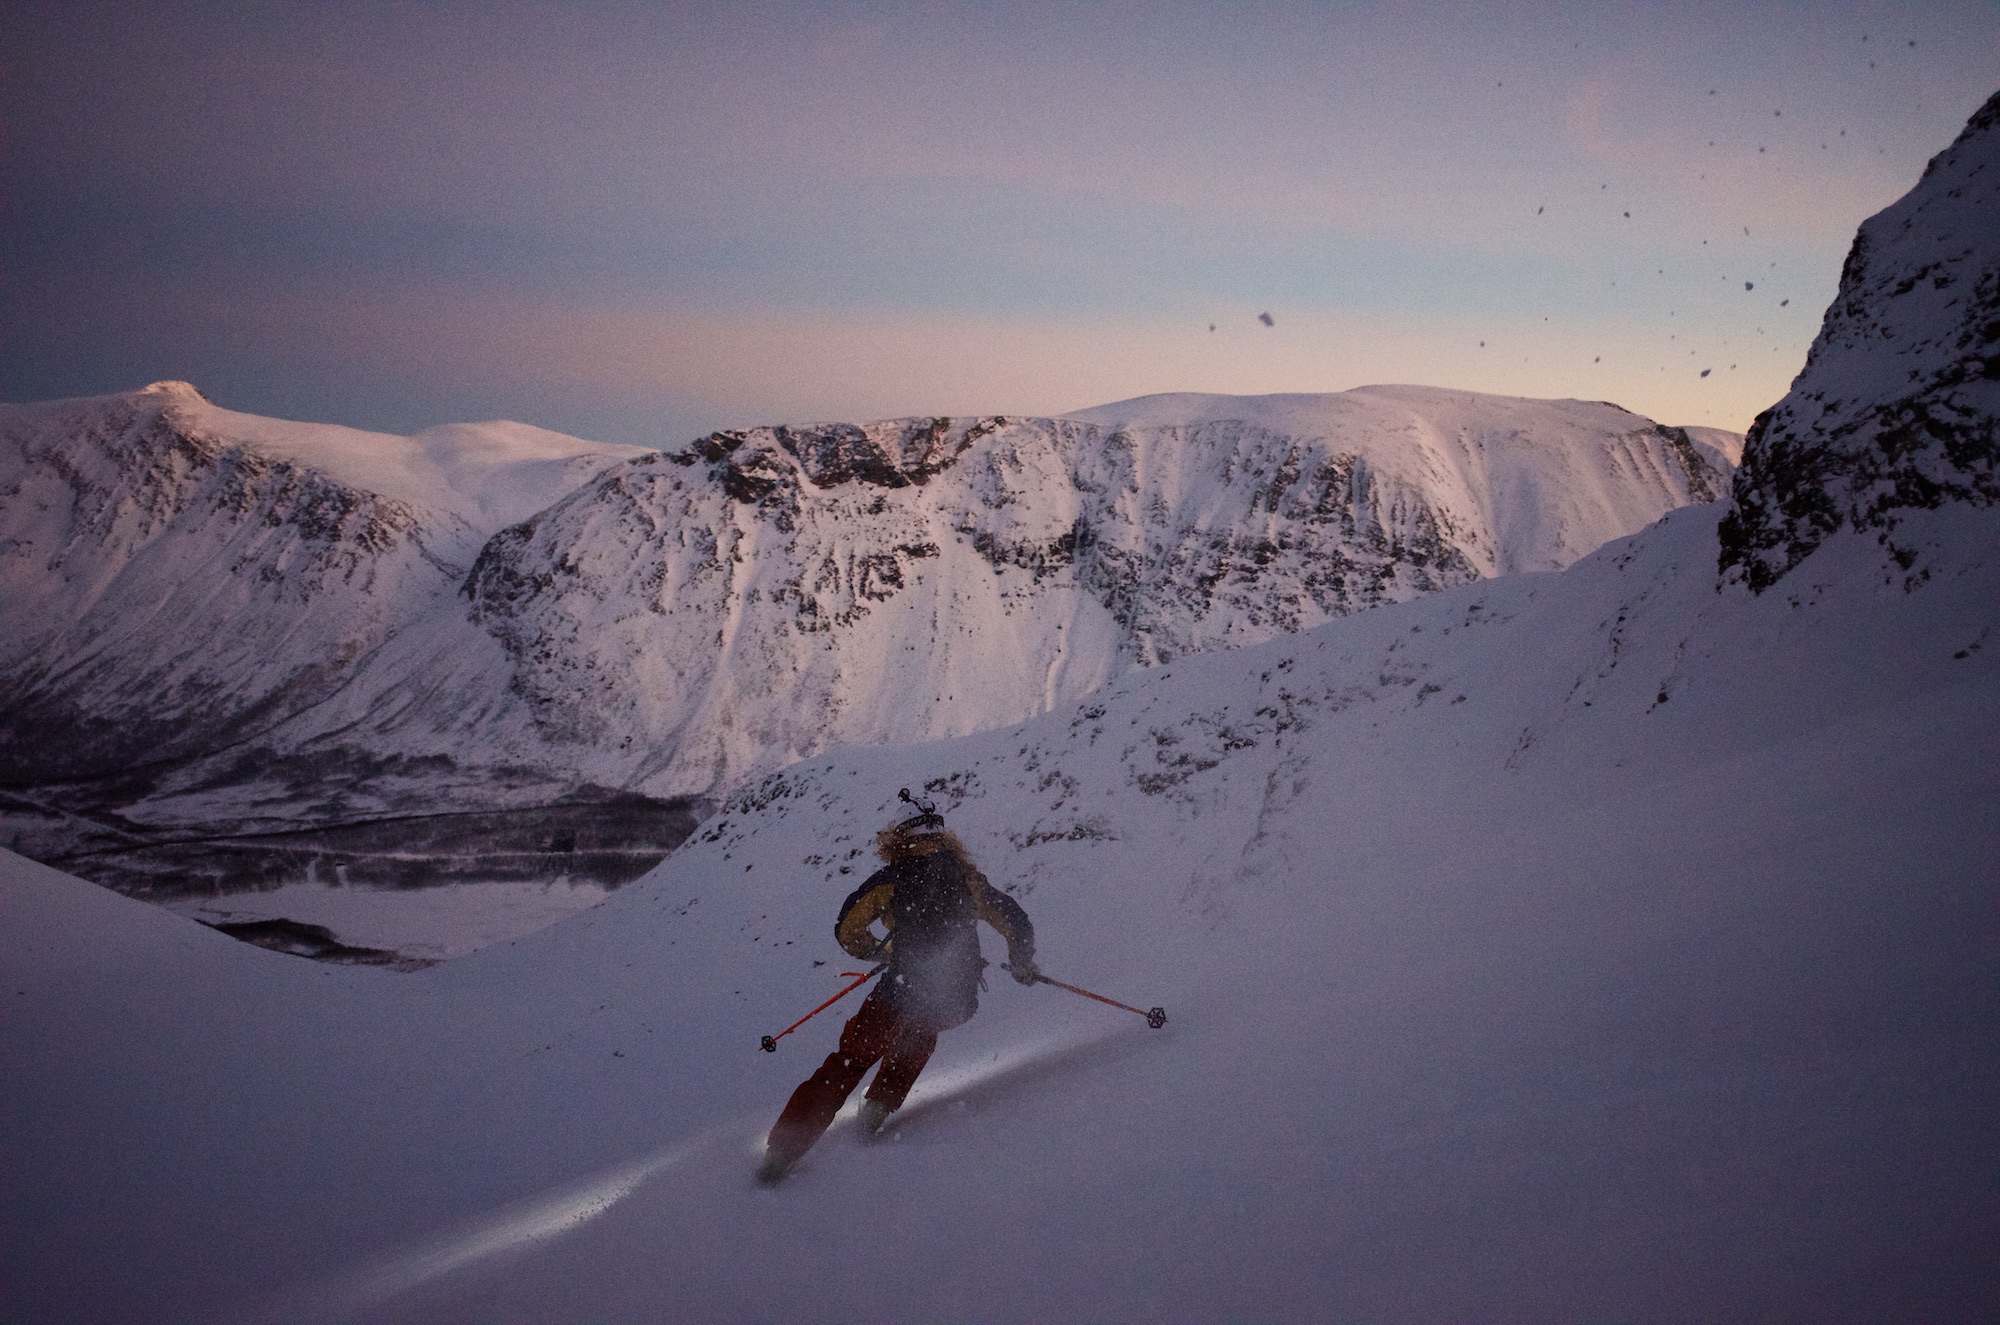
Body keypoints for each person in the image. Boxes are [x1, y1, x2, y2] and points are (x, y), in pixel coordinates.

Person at [758, 795, 1036, 1184]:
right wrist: (1022, 963)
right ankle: (877, 1110)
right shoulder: (966, 878)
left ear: (898, 837)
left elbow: (847, 931)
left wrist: (881, 953)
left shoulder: (893, 879)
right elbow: (1014, 920)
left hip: (901, 992)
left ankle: (782, 1153)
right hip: (955, 1000)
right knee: (919, 1035)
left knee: (849, 1062)